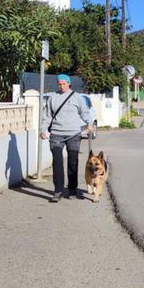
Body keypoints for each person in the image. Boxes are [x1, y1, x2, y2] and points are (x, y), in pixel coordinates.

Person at [40, 74, 94, 202]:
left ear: (69, 84)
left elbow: (84, 112)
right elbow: (46, 115)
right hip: (56, 134)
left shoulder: (77, 97)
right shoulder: (53, 97)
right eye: (60, 84)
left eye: (64, 84)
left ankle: (72, 189)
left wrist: (89, 123)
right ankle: (58, 191)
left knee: (72, 162)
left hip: (73, 134)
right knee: (57, 162)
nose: (62, 86)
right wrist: (43, 129)